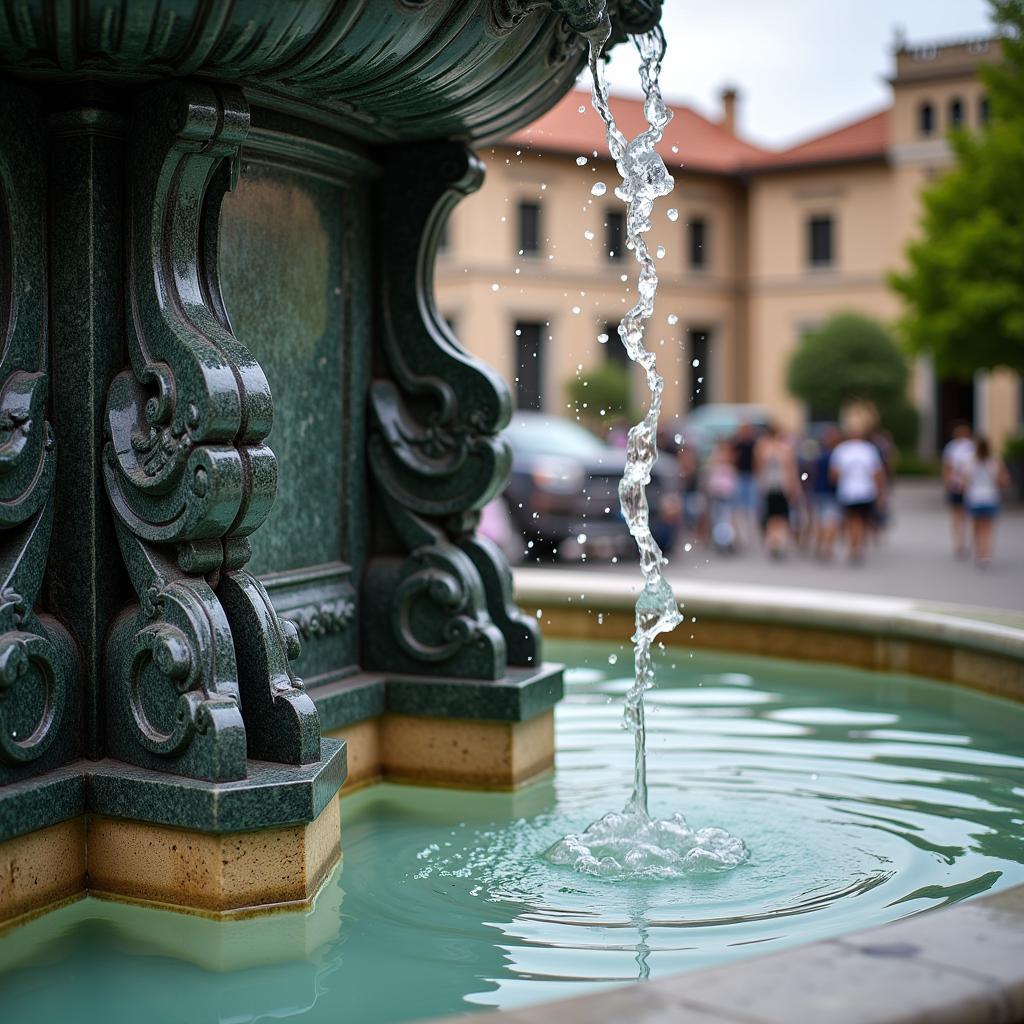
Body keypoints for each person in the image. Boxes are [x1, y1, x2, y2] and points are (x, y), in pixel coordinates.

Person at [830, 424, 886, 564]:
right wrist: (880, 492)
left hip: (848, 491)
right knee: (863, 519)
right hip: (866, 490)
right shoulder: (869, 449)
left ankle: (855, 546)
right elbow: (877, 473)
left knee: (852, 520)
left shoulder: (841, 450)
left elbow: (834, 474)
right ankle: (859, 545)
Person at [960, 435, 1010, 569]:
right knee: (987, 530)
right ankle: (985, 555)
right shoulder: (995, 461)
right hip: (990, 497)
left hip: (974, 498)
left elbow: (964, 482)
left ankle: (978, 552)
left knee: (976, 528)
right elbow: (1003, 480)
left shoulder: (970, 461)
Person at [754, 423, 799, 558]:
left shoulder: (762, 448)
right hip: (782, 486)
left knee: (771, 515)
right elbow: (791, 470)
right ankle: (778, 541)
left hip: (768, 486)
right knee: (782, 516)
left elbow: (758, 468)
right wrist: (794, 487)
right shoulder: (785, 449)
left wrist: (759, 485)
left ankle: (773, 541)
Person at [942, 422, 975, 559]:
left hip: (963, 486)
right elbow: (947, 467)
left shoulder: (968, 447)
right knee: (960, 516)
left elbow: (947, 468)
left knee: (962, 516)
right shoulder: (954, 447)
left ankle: (963, 543)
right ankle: (960, 542)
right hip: (960, 485)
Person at [811, 425, 842, 560]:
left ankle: (819, 545)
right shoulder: (837, 456)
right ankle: (827, 547)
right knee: (831, 521)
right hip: (831, 492)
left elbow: (808, 474)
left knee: (819, 520)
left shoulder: (819, 455)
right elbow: (834, 476)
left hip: (818, 491)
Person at [704, 439, 739, 552]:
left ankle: (727, 541)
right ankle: (720, 542)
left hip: (727, 498)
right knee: (718, 520)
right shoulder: (714, 468)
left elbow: (733, 483)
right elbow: (711, 483)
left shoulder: (730, 468)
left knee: (726, 520)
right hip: (717, 497)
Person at [732, 421, 758, 546]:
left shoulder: (754, 443)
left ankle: (749, 534)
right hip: (740, 476)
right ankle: (741, 535)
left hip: (751, 476)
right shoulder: (737, 443)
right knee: (739, 507)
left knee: (751, 507)